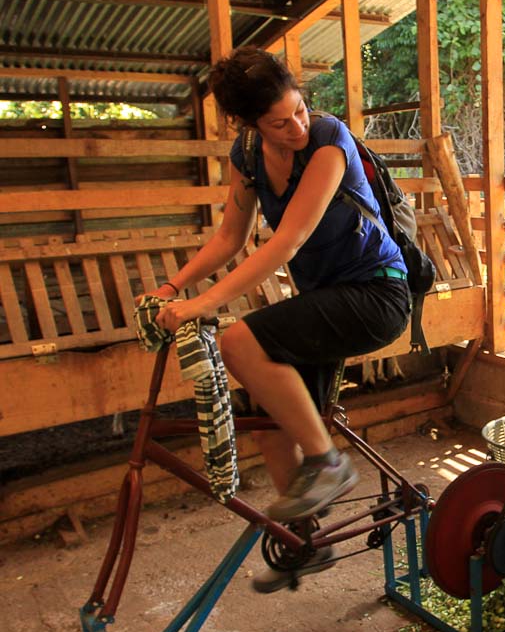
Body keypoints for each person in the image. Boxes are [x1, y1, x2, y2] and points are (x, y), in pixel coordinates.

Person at [145, 47, 411, 592]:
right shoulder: (247, 156)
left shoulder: (329, 141)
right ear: (249, 125)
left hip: (377, 293)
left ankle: (328, 463)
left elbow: (288, 240)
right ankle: (305, 544)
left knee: (238, 342)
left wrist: (203, 304)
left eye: (299, 110)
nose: (296, 126)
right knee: (269, 425)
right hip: (328, 300)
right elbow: (230, 237)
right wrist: (173, 287)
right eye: (279, 122)